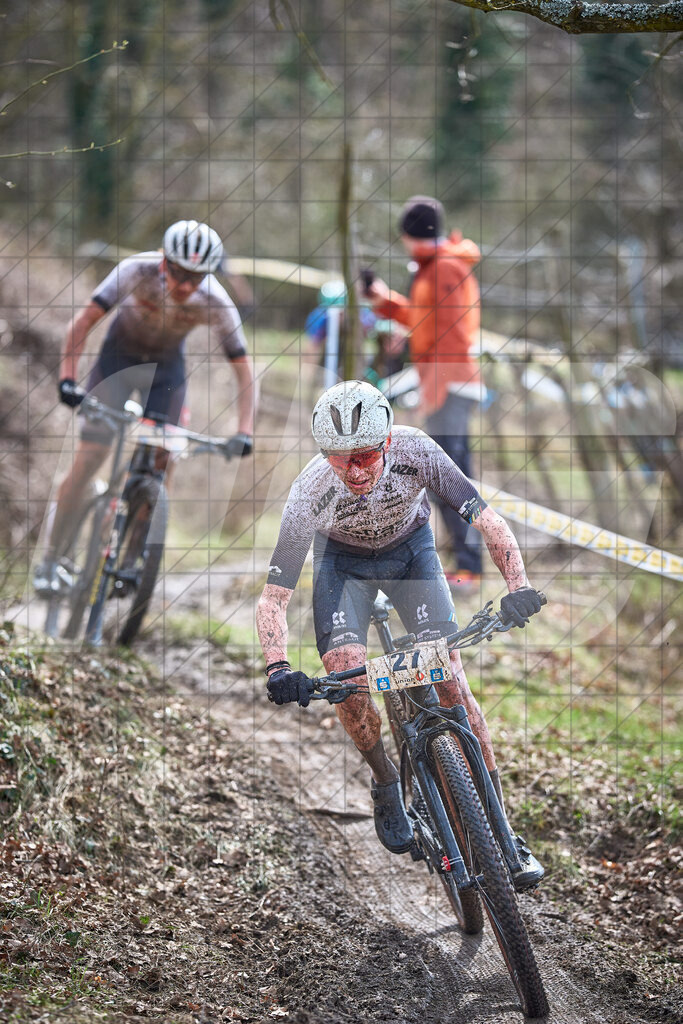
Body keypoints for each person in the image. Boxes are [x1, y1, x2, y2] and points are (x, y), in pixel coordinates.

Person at [256, 380, 544, 891]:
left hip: (412, 554)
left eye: (366, 455)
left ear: (387, 442)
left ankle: (501, 826)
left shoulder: (417, 449)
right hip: (342, 569)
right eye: (341, 459)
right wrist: (277, 665)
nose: (357, 471)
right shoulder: (309, 491)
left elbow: (487, 519)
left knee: (450, 676)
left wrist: (518, 586)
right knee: (345, 674)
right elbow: (275, 595)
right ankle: (386, 780)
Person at [34, 219, 255, 594]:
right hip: (116, 363)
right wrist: (68, 379)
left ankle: (132, 558)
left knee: (161, 464)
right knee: (89, 458)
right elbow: (82, 323)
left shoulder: (216, 301)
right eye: (179, 273)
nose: (186, 285)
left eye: (196, 277)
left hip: (166, 374)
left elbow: (245, 372)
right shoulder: (135, 270)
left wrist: (244, 430)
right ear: (163, 260)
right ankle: (51, 558)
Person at [366, 196, 483, 589]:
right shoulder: (437, 268)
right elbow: (424, 320)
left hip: (449, 383)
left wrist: (429, 381)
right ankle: (463, 564)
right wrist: (384, 303)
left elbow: (447, 332)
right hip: (444, 383)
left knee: (450, 479)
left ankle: (469, 569)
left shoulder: (444, 270)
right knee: (444, 477)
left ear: (410, 236)